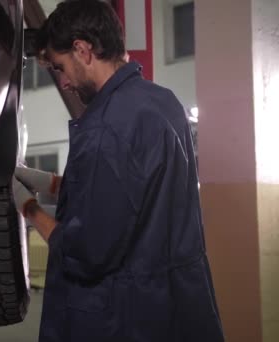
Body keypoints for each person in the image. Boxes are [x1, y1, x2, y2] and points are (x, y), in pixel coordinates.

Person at [12, 1, 224, 341]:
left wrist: (28, 207)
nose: (63, 82)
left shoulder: (105, 128)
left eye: (60, 67)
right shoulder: (164, 103)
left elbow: (86, 252)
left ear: (82, 50)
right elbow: (133, 193)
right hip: (179, 307)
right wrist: (51, 183)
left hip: (125, 317)